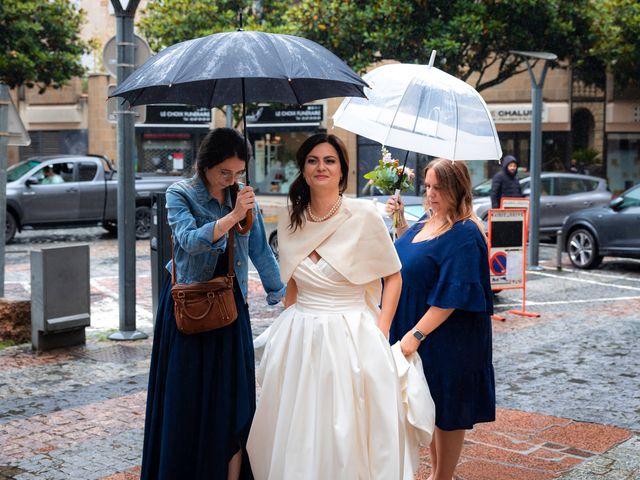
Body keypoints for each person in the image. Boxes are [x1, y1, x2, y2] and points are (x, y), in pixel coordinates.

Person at [247, 133, 424, 479]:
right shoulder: (289, 220)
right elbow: (293, 286)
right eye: (313, 160)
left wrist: (381, 329)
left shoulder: (364, 216)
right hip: (301, 335)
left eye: (329, 160)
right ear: (303, 169)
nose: (321, 167)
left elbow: (394, 278)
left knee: (347, 426)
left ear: (342, 170)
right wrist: (286, 334)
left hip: (352, 335)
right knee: (298, 425)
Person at [140, 128, 285, 480]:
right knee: (186, 398)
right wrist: (233, 216)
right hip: (188, 305)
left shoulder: (244, 197)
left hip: (230, 306)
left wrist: (280, 295)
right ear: (206, 165)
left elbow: (260, 250)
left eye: (238, 173)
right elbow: (189, 241)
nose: (232, 179)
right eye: (225, 173)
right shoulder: (181, 193)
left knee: (233, 397)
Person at [386, 159, 495, 480]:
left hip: (447, 338)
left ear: (457, 189)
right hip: (421, 330)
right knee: (430, 406)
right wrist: (400, 221)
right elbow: (414, 256)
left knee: (448, 409)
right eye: (428, 186)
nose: (431, 194)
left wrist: (414, 336)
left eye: (439, 188)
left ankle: (442, 476)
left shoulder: (465, 233)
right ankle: (436, 473)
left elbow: (452, 295)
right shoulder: (426, 221)